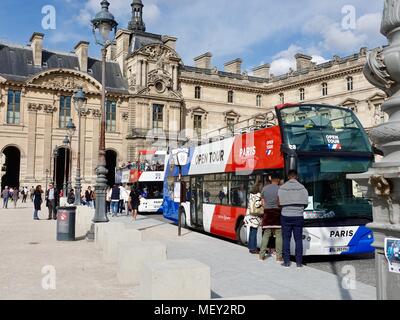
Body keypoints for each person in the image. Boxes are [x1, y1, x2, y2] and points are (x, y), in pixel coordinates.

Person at [278, 170, 309, 268]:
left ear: (288, 177)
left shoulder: (282, 188)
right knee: (298, 239)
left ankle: (287, 262)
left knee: (286, 239)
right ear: (297, 177)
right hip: (298, 216)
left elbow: (278, 203)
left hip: (285, 216)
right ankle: (299, 262)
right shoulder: (302, 188)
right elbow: (306, 203)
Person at [260, 173, 283, 262]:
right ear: (277, 180)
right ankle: (278, 257)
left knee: (266, 235)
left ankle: (262, 255)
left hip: (267, 214)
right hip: (277, 213)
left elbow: (262, 203)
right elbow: (280, 202)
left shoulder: (265, 189)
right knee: (278, 236)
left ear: (271, 179)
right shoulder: (280, 189)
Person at [244, 183, 264, 254]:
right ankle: (253, 249)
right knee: (254, 232)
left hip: (249, 215)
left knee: (251, 231)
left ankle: (250, 247)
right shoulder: (258, 195)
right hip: (255, 216)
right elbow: (257, 205)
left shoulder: (251, 194)